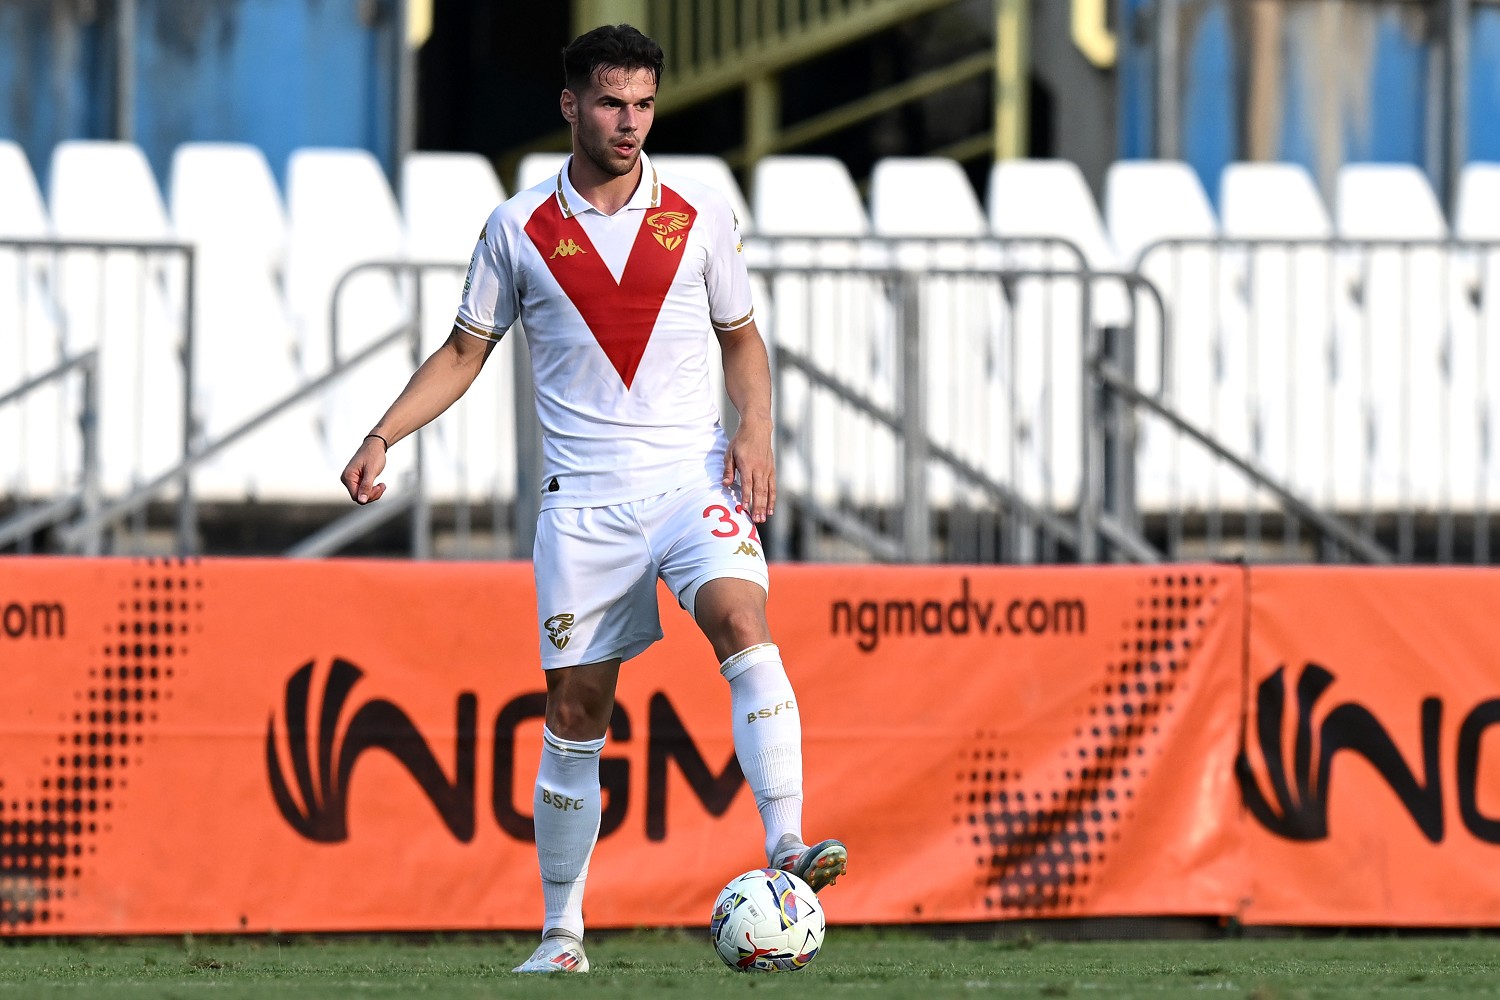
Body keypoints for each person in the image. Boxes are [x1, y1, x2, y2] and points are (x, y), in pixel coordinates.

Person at [339, 23, 846, 975]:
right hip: (585, 504)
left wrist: (756, 428)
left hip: (692, 479)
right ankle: (562, 935)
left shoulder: (697, 219)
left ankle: (788, 847)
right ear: (570, 104)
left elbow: (743, 339)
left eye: (645, 103)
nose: (630, 122)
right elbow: (462, 354)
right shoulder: (517, 228)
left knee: (744, 621)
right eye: (612, 102)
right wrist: (382, 434)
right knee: (576, 714)